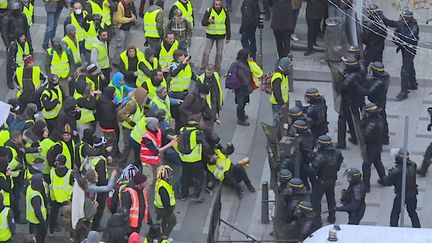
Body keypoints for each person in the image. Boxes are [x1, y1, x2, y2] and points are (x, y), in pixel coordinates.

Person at [380, 9, 419, 100]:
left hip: (410, 50)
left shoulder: (414, 26)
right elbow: (395, 30)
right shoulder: (401, 24)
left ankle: (404, 92)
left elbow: (409, 37)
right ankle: (413, 84)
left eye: (405, 19)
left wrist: (399, 38)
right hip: (403, 49)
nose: (403, 21)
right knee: (410, 66)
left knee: (404, 70)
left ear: (409, 19)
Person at [207, 134, 255, 199]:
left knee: (238, 166)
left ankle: (248, 184)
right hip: (227, 180)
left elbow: (227, 152)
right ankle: (239, 190)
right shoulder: (209, 164)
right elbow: (210, 176)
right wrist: (210, 183)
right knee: (226, 173)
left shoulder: (218, 151)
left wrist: (230, 147)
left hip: (233, 172)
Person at [177, 116, 212, 202]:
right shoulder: (197, 133)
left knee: (185, 176)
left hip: (184, 159)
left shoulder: (182, 130)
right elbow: (205, 146)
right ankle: (196, 195)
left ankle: (184, 195)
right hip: (195, 160)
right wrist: (210, 154)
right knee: (199, 176)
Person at [384, 148, 420, 228]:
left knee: (395, 214)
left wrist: (389, 172)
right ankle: (417, 228)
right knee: (412, 212)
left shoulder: (396, 171)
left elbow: (388, 182)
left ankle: (393, 231)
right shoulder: (413, 165)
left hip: (401, 194)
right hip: (413, 193)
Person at [310, 135, 343, 224]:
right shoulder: (337, 153)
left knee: (316, 200)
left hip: (321, 181)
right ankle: (332, 217)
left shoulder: (320, 156)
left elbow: (313, 169)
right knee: (331, 198)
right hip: (332, 179)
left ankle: (317, 219)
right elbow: (340, 162)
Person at [336, 56, 362, 149]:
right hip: (354, 99)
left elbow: (342, 87)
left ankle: (341, 142)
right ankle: (355, 138)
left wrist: (340, 76)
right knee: (352, 119)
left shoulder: (351, 76)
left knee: (342, 120)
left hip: (348, 100)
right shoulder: (358, 71)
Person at [118, 87, 148, 165]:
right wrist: (130, 121)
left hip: (135, 128)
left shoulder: (141, 104)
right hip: (128, 128)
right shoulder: (132, 104)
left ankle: (135, 162)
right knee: (127, 146)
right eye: (145, 97)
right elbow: (121, 113)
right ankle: (121, 163)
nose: (146, 99)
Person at [361, 103, 386, 192]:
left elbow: (364, 135)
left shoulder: (371, 123)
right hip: (378, 145)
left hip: (372, 146)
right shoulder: (379, 119)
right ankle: (384, 180)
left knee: (366, 165)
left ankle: (366, 186)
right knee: (377, 162)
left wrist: (362, 124)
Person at [201, 0, 231, 72]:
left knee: (219, 54)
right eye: (216, 4)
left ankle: (217, 69)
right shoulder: (209, 11)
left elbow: (227, 24)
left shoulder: (225, 11)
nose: (217, 6)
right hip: (210, 35)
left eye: (219, 4)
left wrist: (228, 36)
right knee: (206, 53)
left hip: (220, 36)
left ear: (221, 4)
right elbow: (203, 23)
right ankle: (203, 69)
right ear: (213, 4)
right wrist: (208, 21)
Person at [49, 154, 73, 236]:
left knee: (53, 216)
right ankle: (71, 236)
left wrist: (52, 197)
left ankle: (51, 232)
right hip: (66, 199)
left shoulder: (52, 171)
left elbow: (51, 185)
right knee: (70, 218)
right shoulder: (70, 173)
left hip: (55, 198)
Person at [366, 62, 390, 145]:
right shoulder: (386, 76)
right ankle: (385, 137)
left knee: (379, 119)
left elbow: (369, 91)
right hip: (382, 100)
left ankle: (382, 138)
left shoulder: (377, 81)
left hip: (377, 102)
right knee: (383, 118)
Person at [231, 49, 253, 126]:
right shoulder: (241, 65)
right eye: (248, 56)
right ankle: (240, 118)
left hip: (240, 87)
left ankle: (242, 114)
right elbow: (242, 77)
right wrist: (248, 86)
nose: (249, 57)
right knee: (241, 103)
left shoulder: (241, 63)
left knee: (243, 101)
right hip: (241, 88)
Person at [292, 119, 316, 191]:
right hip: (307, 161)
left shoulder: (299, 140)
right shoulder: (311, 135)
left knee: (303, 178)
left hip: (302, 162)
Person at [362, 4, 387, 70]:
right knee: (378, 63)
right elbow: (385, 34)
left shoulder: (370, 24)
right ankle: (377, 76)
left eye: (368, 13)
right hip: (380, 45)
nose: (367, 14)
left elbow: (365, 38)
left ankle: (363, 78)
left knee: (365, 64)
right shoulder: (382, 20)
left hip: (371, 47)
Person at [154, 165, 177, 237]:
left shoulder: (160, 182)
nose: (170, 176)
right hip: (164, 209)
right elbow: (165, 201)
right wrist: (169, 211)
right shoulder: (163, 187)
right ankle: (163, 236)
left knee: (163, 223)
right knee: (172, 222)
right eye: (169, 175)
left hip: (160, 209)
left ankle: (161, 235)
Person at [112, 0, 136, 66]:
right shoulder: (119, 5)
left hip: (127, 28)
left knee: (125, 46)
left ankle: (122, 61)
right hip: (120, 28)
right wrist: (130, 19)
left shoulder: (129, 4)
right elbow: (118, 19)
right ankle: (117, 62)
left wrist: (133, 17)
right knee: (120, 46)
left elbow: (131, 12)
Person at [26, 174, 48, 243]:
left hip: (31, 220)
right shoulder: (36, 196)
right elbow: (37, 212)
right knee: (39, 239)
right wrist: (43, 222)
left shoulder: (29, 188)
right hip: (37, 222)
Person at [270, 57, 291, 126]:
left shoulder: (284, 74)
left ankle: (279, 132)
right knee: (277, 120)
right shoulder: (278, 77)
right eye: (288, 66)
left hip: (281, 102)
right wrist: (281, 103)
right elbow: (277, 92)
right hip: (277, 103)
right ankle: (275, 134)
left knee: (280, 119)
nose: (289, 68)